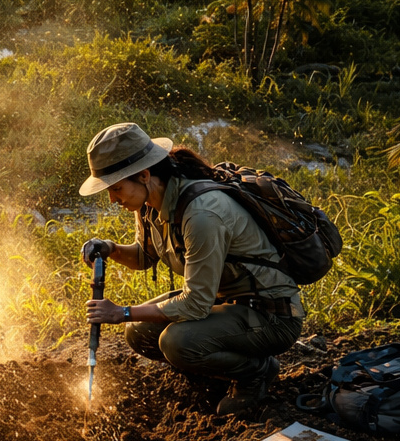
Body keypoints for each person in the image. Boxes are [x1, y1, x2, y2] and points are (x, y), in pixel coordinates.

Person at [77, 122, 305, 416]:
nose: (112, 199)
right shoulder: (151, 202)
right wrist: (111, 249)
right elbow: (145, 257)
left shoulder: (202, 214)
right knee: (138, 332)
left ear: (144, 175)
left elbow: (195, 304)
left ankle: (256, 372)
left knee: (177, 342)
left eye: (117, 188)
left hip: (272, 315)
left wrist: (121, 312)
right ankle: (212, 368)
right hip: (226, 303)